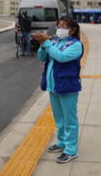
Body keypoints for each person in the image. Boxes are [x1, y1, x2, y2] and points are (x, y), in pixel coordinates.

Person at [34, 16, 83, 164]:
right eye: (59, 25)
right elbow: (41, 57)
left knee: (70, 120)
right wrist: (42, 44)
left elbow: (61, 57)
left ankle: (70, 150)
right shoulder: (55, 41)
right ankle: (62, 142)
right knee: (59, 118)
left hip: (67, 86)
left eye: (65, 26)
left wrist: (47, 43)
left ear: (73, 30)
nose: (60, 29)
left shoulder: (75, 45)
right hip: (53, 86)